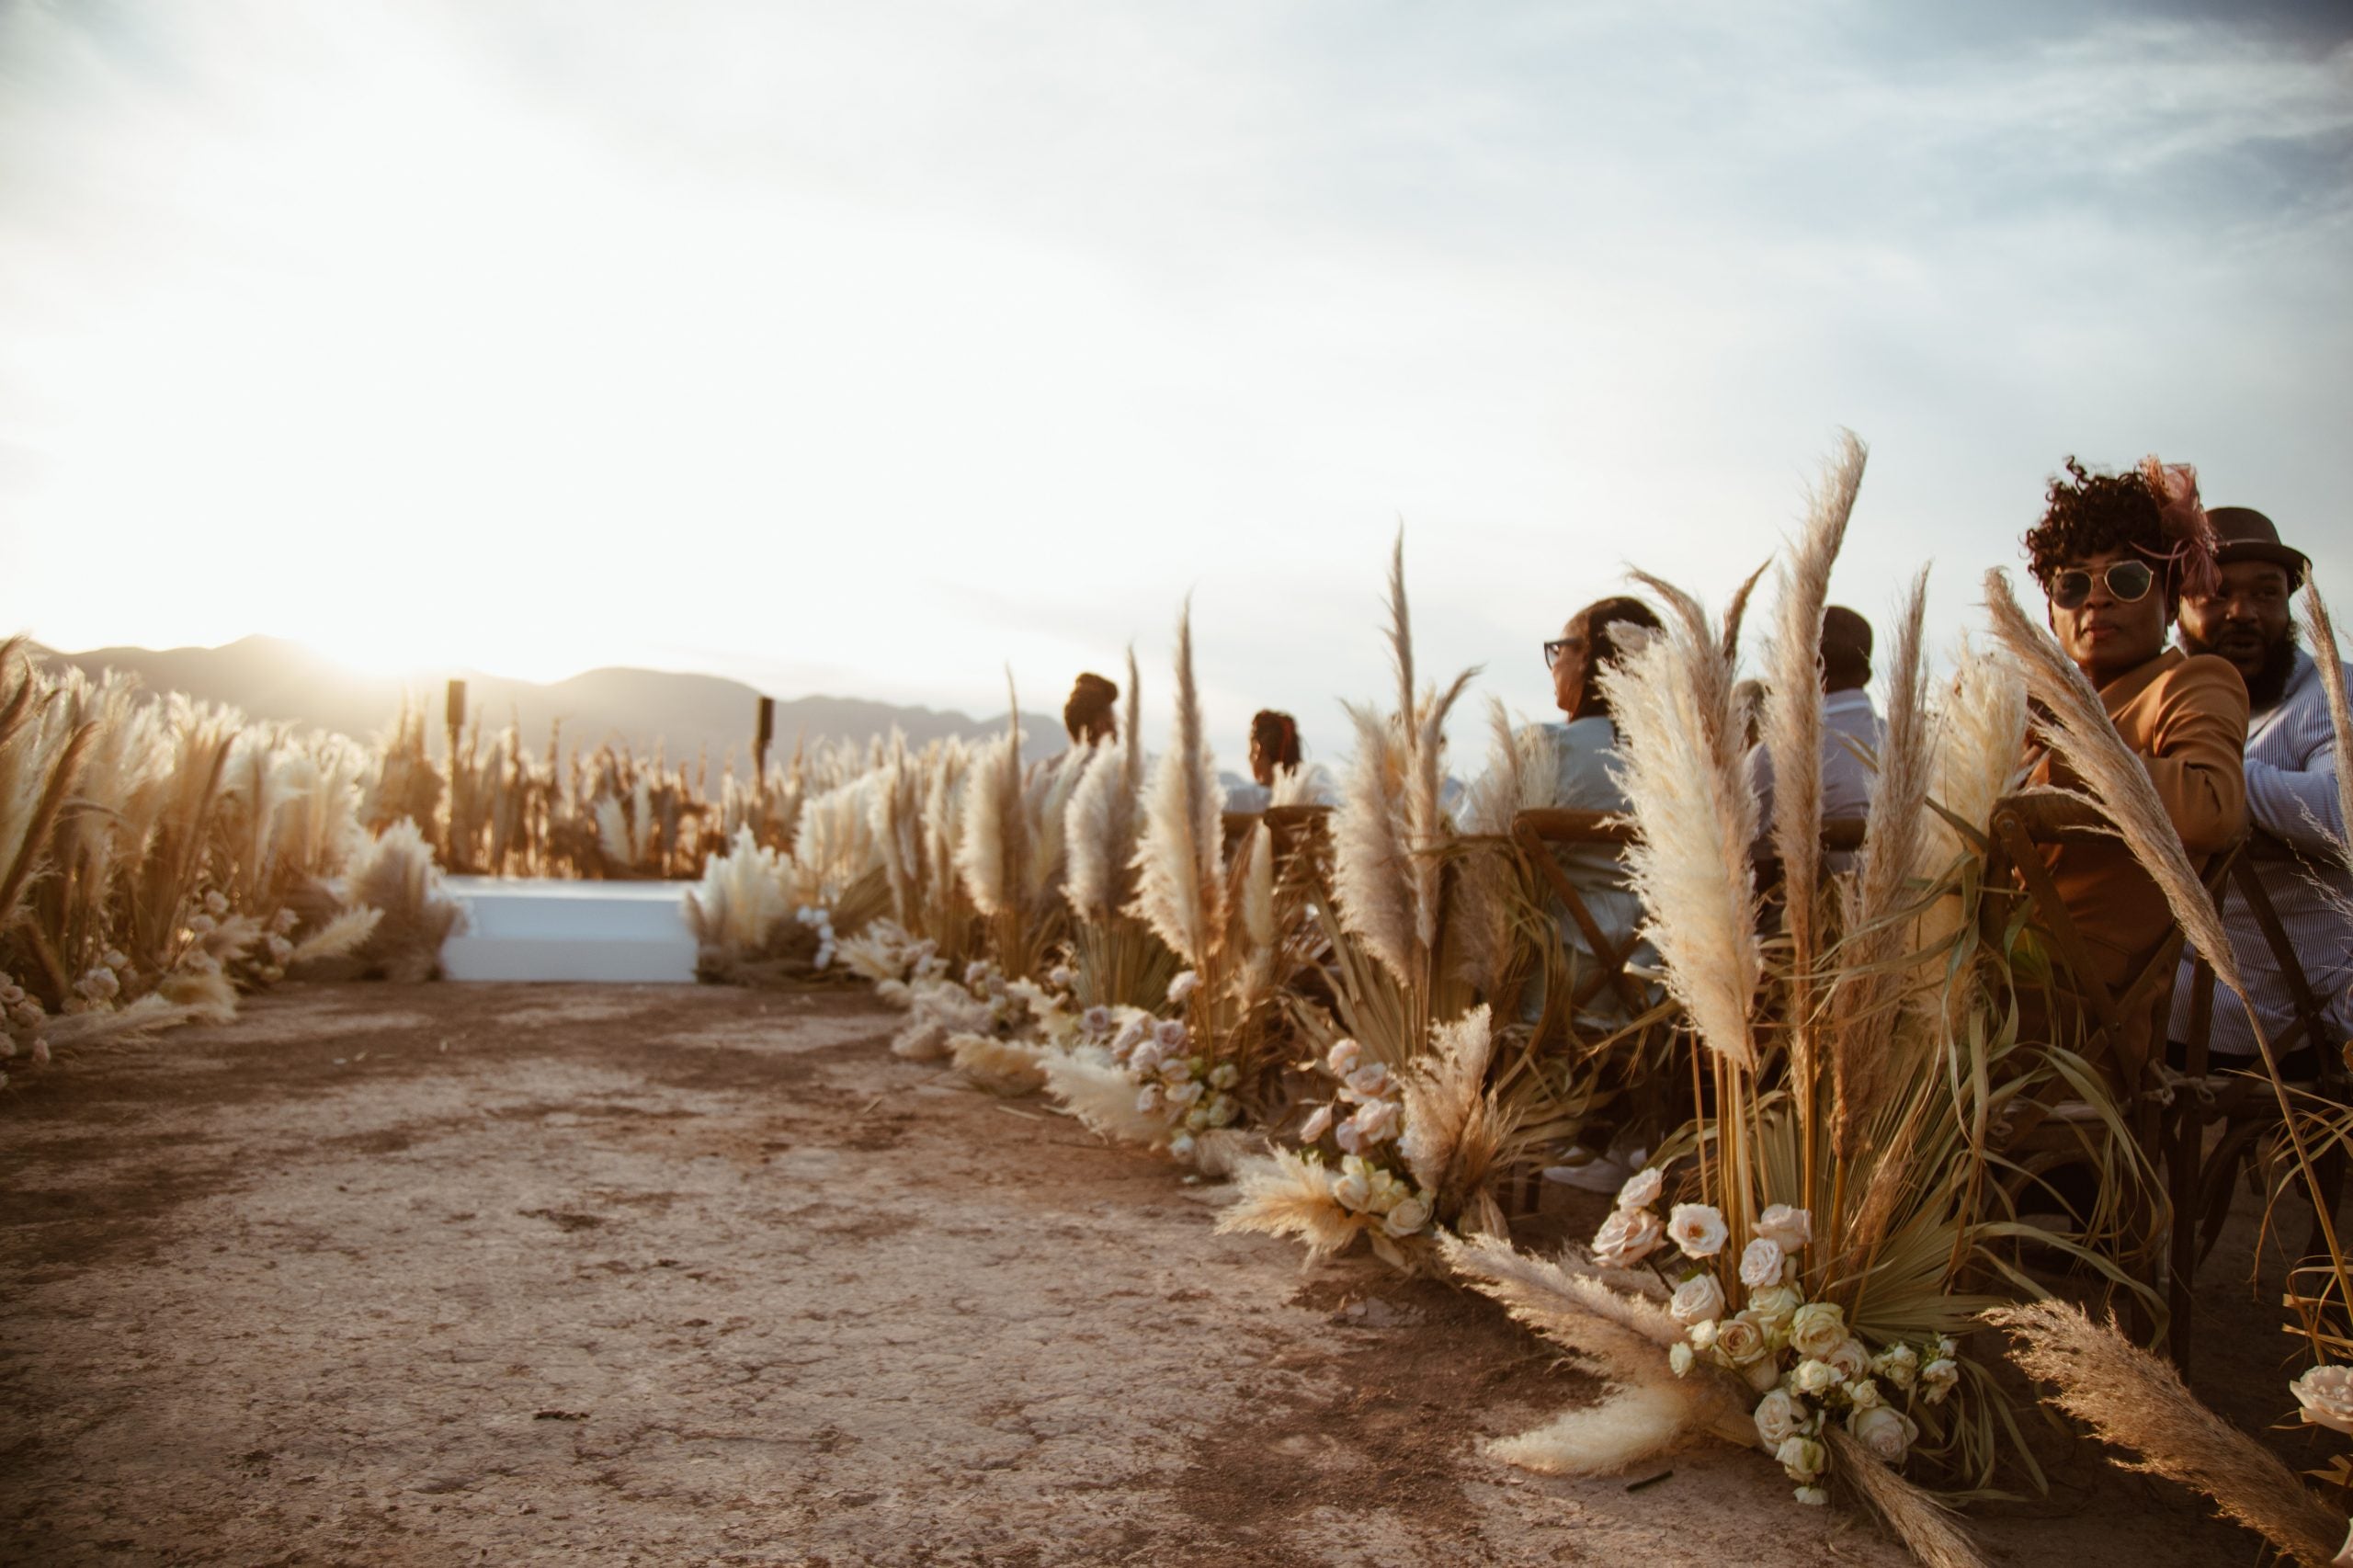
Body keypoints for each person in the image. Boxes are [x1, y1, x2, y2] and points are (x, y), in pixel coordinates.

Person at [2021, 457, 2248, 1087]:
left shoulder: (2193, 680)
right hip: (1996, 969)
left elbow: (2212, 805)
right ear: (2051, 613)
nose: (2095, 597)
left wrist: (2058, 757)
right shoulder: (2037, 705)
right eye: (2072, 586)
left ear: (2169, 597)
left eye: (2124, 579)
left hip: (2083, 1003)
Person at [2166, 506, 2351, 1070]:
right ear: (2175, 608)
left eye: (2266, 594)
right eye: (2216, 594)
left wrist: (2210, 782)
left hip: (2293, 1010)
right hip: (2181, 992)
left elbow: (2342, 814)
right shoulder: (2167, 697)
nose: (2242, 613)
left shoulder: (2329, 691)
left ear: (2290, 603)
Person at [1748, 605, 1883, 870]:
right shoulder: (1914, 752)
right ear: (1866, 675)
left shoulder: (1773, 758)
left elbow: (1750, 891)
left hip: (1808, 912)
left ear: (1799, 667)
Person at [1063, 673, 1119, 748]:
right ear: (1101, 726)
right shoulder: (1114, 759)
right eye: (1110, 723)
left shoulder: (1056, 759)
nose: (1116, 730)